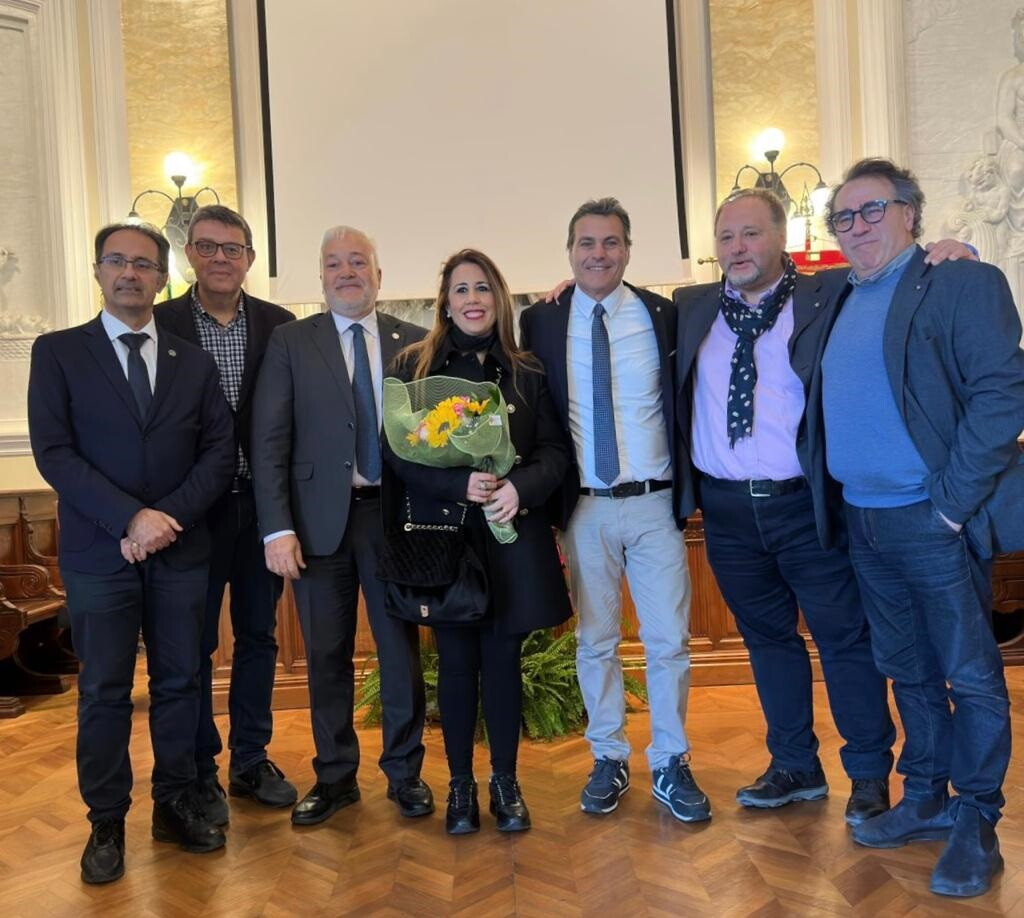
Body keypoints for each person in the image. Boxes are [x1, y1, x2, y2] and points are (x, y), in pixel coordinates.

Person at [821, 157, 1024, 898]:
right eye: (843, 216)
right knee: (906, 669)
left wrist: (950, 504)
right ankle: (927, 796)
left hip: (931, 519)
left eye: (872, 209)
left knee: (969, 675)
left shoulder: (960, 281)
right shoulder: (835, 295)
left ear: (911, 213)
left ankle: (977, 818)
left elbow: (1004, 394)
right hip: (864, 520)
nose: (857, 226)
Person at [673, 189, 896, 823]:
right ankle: (795, 766)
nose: (737, 248)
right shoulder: (690, 307)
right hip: (725, 514)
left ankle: (869, 774)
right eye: (726, 237)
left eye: (750, 234)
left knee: (844, 639)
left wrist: (949, 253)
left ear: (781, 238)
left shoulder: (828, 295)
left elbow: (896, 275)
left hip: (805, 508)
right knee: (767, 642)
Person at [27, 222, 235, 883]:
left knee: (180, 683)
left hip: (180, 549)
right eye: (116, 261)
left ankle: (174, 804)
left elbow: (219, 452)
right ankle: (106, 822)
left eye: (143, 264)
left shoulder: (191, 362)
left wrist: (165, 519)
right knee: (104, 691)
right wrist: (130, 517)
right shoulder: (58, 352)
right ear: (98, 272)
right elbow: (54, 453)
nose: (129, 273)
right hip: (99, 552)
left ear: (162, 278)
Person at [520, 198, 710, 824]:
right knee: (595, 640)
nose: (598, 254)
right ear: (570, 252)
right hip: (585, 509)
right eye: (587, 243)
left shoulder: (664, 314)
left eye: (610, 243)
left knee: (668, 641)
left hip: (654, 504)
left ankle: (671, 760)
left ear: (628, 250)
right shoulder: (541, 321)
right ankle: (608, 756)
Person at [385, 249, 572, 835]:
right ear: (445, 300)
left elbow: (554, 451)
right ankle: (461, 785)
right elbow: (398, 455)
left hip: (510, 535)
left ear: (499, 299)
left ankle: (506, 783)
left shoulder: (528, 370)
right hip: (448, 541)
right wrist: (455, 483)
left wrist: (520, 488)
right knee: (457, 666)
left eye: (484, 288)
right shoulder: (413, 367)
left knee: (503, 663)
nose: (473, 299)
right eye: (462, 289)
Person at [252, 226, 432, 825]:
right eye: (335, 264)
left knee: (399, 653)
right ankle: (334, 778)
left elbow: (431, 440)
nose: (347, 272)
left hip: (393, 521)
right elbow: (269, 440)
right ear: (322, 277)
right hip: (315, 525)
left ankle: (405, 773)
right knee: (326, 655)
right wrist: (276, 528)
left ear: (379, 276)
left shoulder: (414, 342)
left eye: (358, 262)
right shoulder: (291, 341)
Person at [155, 205, 297, 824]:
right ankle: (200, 767)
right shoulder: (160, 323)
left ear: (249, 259)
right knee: (193, 645)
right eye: (208, 246)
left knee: (259, 636)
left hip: (260, 508)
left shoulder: (279, 325)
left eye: (232, 248)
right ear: (189, 253)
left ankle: (250, 759)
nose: (220, 258)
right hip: (191, 511)